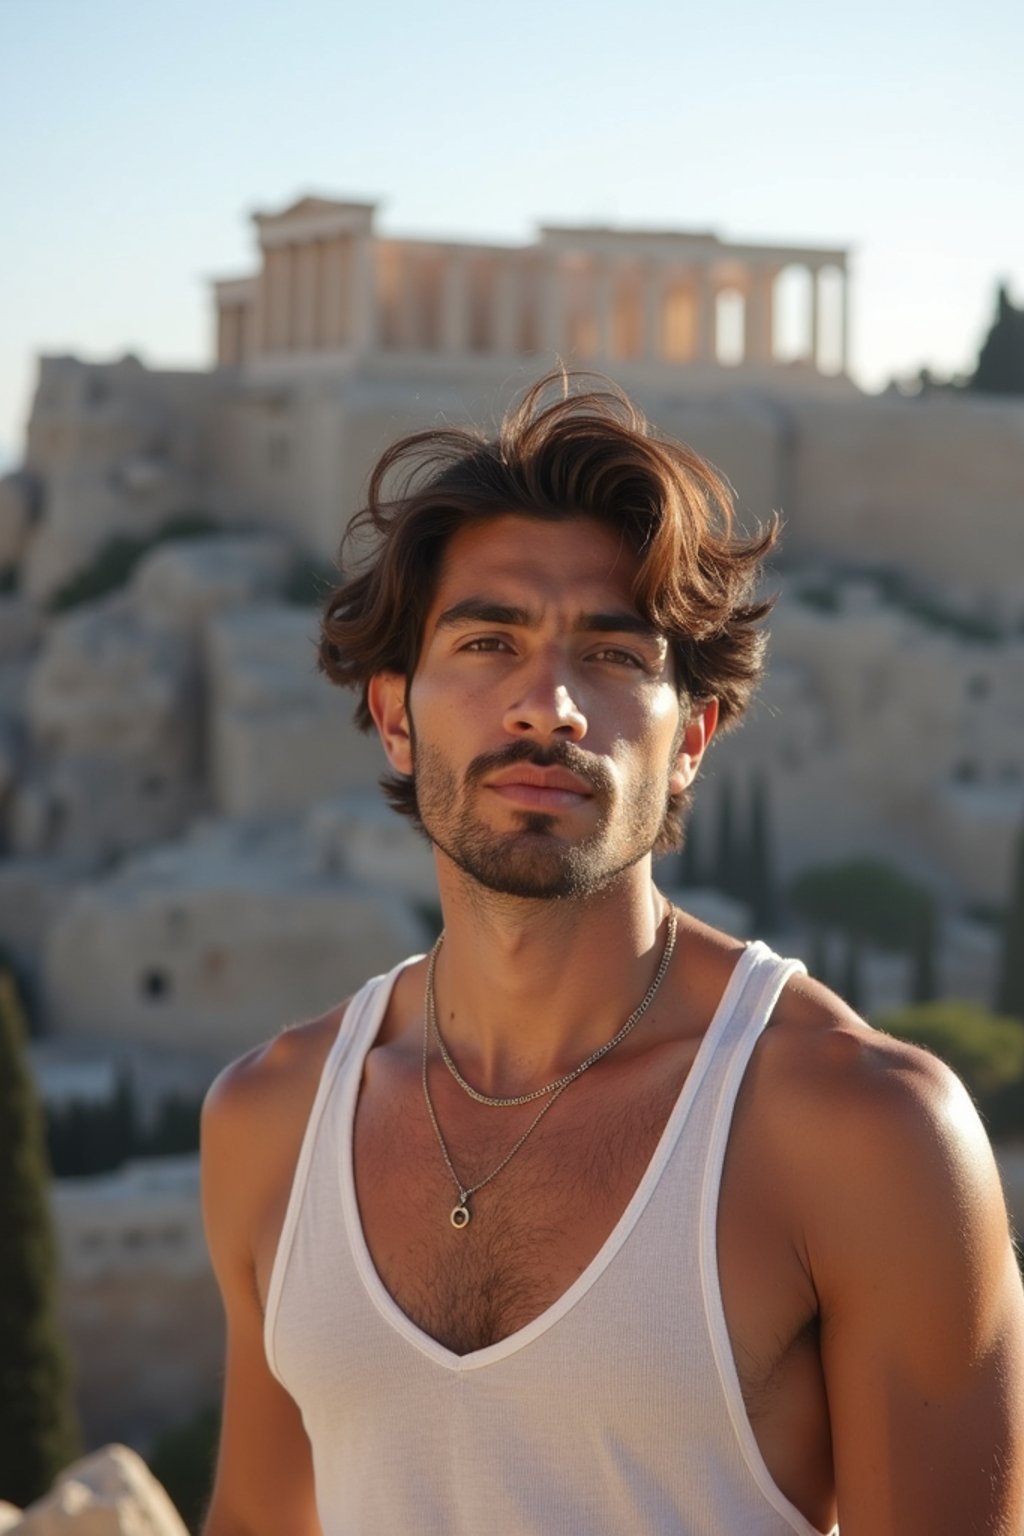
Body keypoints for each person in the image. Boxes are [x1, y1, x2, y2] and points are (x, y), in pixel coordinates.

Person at [199, 373, 1024, 1536]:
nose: (550, 706)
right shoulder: (268, 1119)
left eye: (614, 657)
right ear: (394, 716)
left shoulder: (861, 1132)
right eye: (488, 643)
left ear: (689, 739)